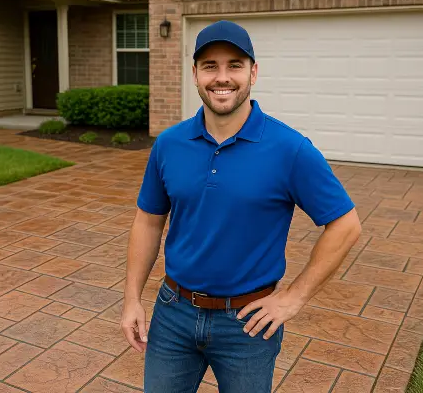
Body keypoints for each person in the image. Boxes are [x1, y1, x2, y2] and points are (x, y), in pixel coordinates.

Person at [120, 20, 362, 393]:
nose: (222, 77)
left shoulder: (290, 149)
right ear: (195, 74)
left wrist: (293, 298)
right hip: (173, 312)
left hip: (247, 324)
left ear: (254, 72)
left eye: (234, 65)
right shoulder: (169, 144)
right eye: (210, 66)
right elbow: (149, 221)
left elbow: (346, 225)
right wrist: (132, 299)